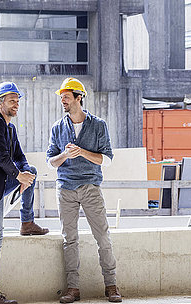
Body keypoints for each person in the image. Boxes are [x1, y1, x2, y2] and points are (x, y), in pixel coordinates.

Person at [0, 81, 49, 304]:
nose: (17, 104)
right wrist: (18, 177)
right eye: (12, 100)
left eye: (18, 100)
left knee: (31, 170)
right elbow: (2, 159)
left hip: (1, 181)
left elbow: (20, 157)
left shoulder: (10, 128)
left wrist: (24, 173)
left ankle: (27, 223)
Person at [47, 78, 122, 303]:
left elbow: (107, 159)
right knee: (69, 240)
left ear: (79, 98)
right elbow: (51, 161)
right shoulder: (57, 127)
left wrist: (82, 152)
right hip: (65, 190)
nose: (63, 101)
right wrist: (65, 156)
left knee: (103, 238)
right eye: (61, 98)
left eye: (67, 97)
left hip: (90, 187)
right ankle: (73, 289)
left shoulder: (98, 125)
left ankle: (111, 285)